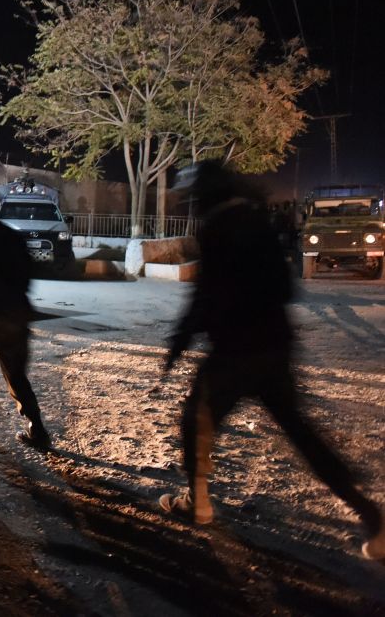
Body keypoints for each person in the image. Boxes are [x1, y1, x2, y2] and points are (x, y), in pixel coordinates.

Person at [159, 160, 384, 560]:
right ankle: (373, 517)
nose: (190, 204)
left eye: (192, 197)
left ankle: (198, 502)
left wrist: (180, 343)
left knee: (195, 419)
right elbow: (284, 287)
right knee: (302, 436)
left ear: (206, 195)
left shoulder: (216, 227)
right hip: (273, 348)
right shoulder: (255, 219)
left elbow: (204, 297)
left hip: (234, 353)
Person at [0, 189, 51, 450]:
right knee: (16, 376)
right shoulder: (14, 238)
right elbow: (28, 275)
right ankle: (37, 429)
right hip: (18, 316)